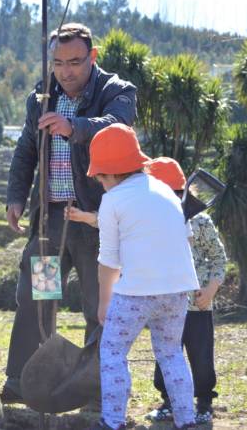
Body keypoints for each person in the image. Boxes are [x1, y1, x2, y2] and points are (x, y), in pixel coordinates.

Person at [2, 23, 137, 403]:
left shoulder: (116, 91)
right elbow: (26, 151)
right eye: (58, 63)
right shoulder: (41, 98)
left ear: (92, 57)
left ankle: (97, 388)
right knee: (38, 298)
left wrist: (73, 126)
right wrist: (16, 196)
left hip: (96, 223)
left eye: (75, 62)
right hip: (52, 223)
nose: (66, 71)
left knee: (99, 306)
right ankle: (20, 383)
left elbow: (117, 127)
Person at [85, 124, 198, 430]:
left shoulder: (113, 201)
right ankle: (187, 421)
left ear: (108, 173)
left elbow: (108, 260)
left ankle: (113, 422)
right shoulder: (165, 190)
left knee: (112, 352)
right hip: (177, 290)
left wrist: (104, 303)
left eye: (99, 177)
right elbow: (185, 238)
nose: (99, 182)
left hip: (135, 292)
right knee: (171, 353)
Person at [144, 157, 227, 424]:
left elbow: (218, 258)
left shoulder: (200, 222)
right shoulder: (151, 221)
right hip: (165, 303)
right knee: (165, 355)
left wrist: (211, 289)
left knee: (201, 357)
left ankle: (203, 403)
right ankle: (169, 401)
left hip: (197, 304)